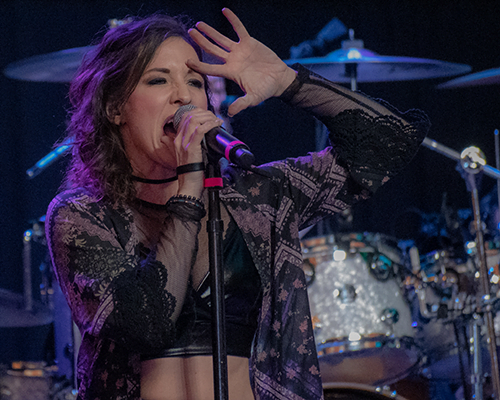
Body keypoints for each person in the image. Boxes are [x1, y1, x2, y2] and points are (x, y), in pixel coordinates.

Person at [45, 7, 430, 400]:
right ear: (114, 108)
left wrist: (289, 82)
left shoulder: (256, 198)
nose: (183, 95)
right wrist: (189, 186)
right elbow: (147, 324)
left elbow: (390, 143)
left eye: (195, 82)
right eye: (158, 80)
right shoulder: (81, 215)